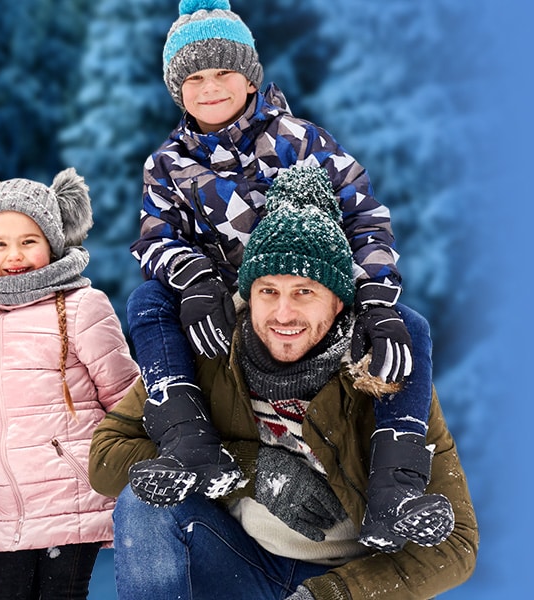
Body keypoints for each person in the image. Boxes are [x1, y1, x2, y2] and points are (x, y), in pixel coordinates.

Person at [125, 0, 450, 552]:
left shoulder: (300, 140)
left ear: (250, 78)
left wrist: (374, 298)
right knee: (145, 301)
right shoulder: (167, 164)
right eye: (195, 78)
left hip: (307, 286)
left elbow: (365, 218)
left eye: (223, 72)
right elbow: (155, 237)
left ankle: (395, 490)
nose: (210, 87)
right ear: (177, 90)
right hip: (226, 294)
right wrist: (195, 280)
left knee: (409, 326)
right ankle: (188, 439)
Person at [88, 167, 477, 599]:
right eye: (268, 291)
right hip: (241, 563)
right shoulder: (211, 350)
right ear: (248, 293)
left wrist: (327, 595)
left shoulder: (382, 370)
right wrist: (254, 471)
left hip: (349, 576)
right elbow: (106, 457)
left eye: (304, 292)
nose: (283, 314)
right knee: (142, 504)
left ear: (338, 300)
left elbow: (456, 545)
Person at [0, 168, 140, 599]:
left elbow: (125, 397)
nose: (14, 255)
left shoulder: (82, 306)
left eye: (29, 241)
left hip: (72, 493)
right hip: (5, 501)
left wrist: (128, 468)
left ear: (53, 242)